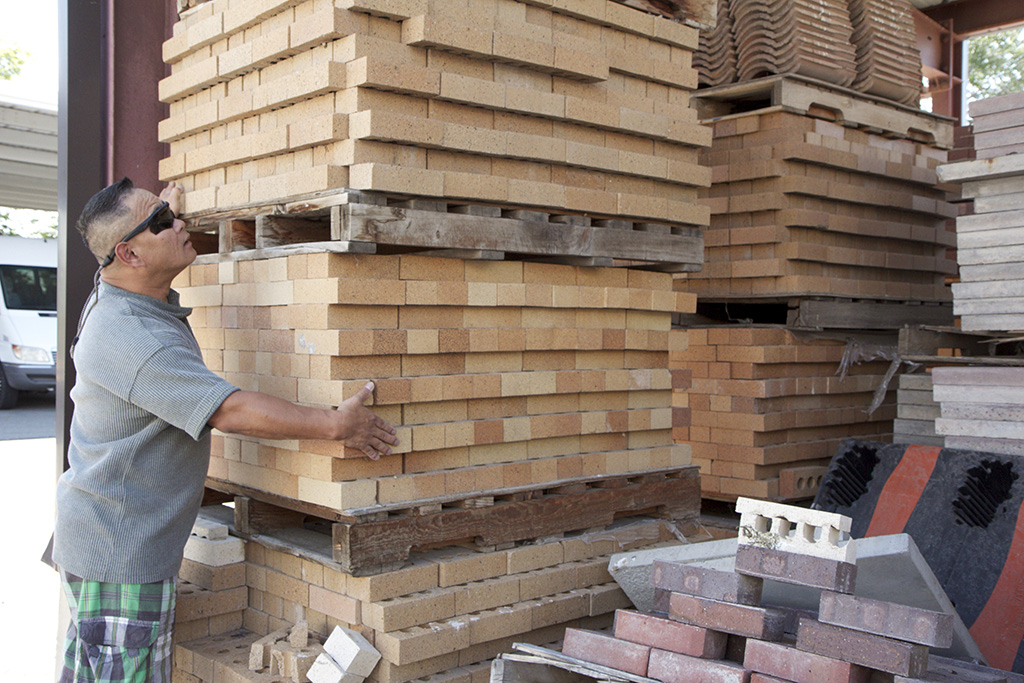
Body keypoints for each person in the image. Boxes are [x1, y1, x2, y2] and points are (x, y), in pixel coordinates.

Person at [51, 178, 399, 683]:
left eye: (171, 212)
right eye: (164, 222)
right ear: (128, 254)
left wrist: (161, 210)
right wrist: (334, 424)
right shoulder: (131, 336)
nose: (180, 224)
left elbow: (120, 234)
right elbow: (228, 410)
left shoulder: (118, 291)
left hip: (104, 537)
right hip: (119, 555)